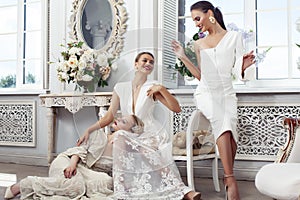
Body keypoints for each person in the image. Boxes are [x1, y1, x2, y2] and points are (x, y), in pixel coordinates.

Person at [77, 51, 201, 199]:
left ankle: (181, 190)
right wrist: (89, 130)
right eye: (145, 60)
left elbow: (176, 108)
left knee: (127, 139)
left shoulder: (153, 87)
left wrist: (161, 89)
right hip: (128, 132)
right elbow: (109, 116)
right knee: (121, 135)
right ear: (136, 64)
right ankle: (126, 188)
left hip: (150, 133)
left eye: (151, 62)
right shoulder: (120, 87)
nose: (148, 64)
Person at [171, 1, 256, 200]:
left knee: (231, 136)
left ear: (209, 14)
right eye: (193, 21)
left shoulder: (234, 37)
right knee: (222, 123)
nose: (196, 24)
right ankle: (231, 179)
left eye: (197, 18)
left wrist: (243, 66)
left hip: (227, 93)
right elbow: (202, 77)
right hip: (206, 93)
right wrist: (183, 56)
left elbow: (237, 72)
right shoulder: (199, 44)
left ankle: (228, 179)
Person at [4, 114, 144, 200]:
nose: (118, 119)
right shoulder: (98, 134)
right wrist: (72, 165)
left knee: (106, 181)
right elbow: (78, 150)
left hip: (88, 172)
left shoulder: (125, 152)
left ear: (130, 132)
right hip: (69, 161)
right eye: (121, 117)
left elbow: (122, 173)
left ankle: (64, 186)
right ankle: (25, 184)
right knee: (75, 186)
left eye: (124, 122)